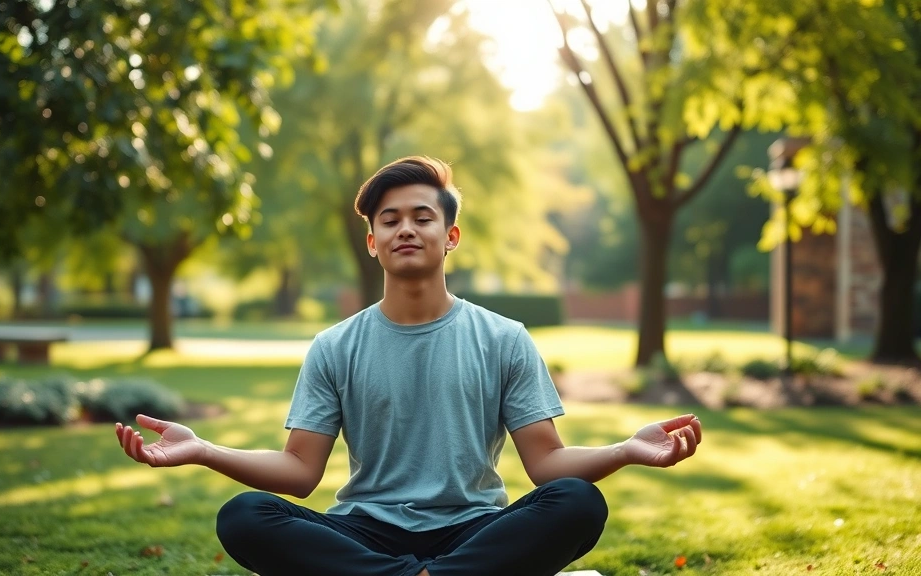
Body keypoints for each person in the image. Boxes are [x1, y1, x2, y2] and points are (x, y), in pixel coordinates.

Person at [115, 156, 703, 576]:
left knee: (577, 502)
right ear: (372, 241)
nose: (405, 228)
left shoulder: (504, 338)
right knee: (244, 516)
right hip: (366, 528)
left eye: (421, 217)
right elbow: (300, 473)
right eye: (389, 220)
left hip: (474, 527)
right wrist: (204, 450)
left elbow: (548, 464)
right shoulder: (334, 346)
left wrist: (626, 449)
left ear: (450, 236)